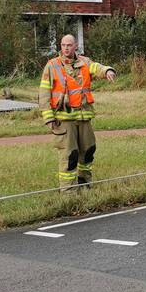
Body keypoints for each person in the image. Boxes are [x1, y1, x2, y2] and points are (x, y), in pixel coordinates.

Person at [39, 35, 116, 190]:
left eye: (69, 45)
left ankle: (85, 185)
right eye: (63, 45)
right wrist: (48, 118)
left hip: (83, 117)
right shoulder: (52, 66)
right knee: (70, 155)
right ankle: (68, 192)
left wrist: (107, 70)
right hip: (64, 119)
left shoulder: (84, 62)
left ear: (76, 46)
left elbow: (96, 67)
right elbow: (44, 93)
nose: (66, 48)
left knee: (88, 152)